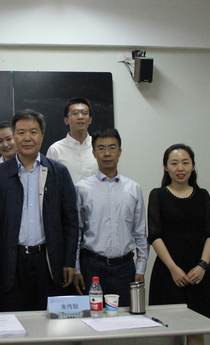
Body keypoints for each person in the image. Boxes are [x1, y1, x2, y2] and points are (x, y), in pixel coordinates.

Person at [0, 109, 78, 311]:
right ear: (14, 136)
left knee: (50, 322)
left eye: (33, 132)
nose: (27, 138)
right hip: (12, 262)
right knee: (13, 321)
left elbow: (71, 222)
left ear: (42, 135)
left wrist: (69, 261)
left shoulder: (58, 172)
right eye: (21, 132)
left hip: (48, 261)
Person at [148, 144, 210, 345]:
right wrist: (173, 269)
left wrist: (202, 266)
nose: (180, 168)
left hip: (199, 272)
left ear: (193, 166)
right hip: (168, 272)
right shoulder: (157, 195)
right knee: (170, 330)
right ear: (166, 167)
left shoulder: (202, 195)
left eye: (185, 162)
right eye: (174, 163)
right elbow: (154, 236)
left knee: (197, 330)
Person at [72, 129, 147, 307]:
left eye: (112, 147)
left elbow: (140, 232)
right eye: (101, 148)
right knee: (91, 316)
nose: (107, 153)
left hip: (125, 268)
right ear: (94, 153)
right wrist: (76, 269)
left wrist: (141, 268)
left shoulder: (133, 189)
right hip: (92, 266)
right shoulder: (81, 189)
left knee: (124, 318)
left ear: (120, 151)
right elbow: (76, 233)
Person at [46, 97, 98, 184]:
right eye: (75, 113)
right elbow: (49, 182)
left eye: (84, 113)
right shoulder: (55, 150)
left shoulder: (99, 146)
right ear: (66, 120)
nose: (80, 117)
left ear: (90, 119)